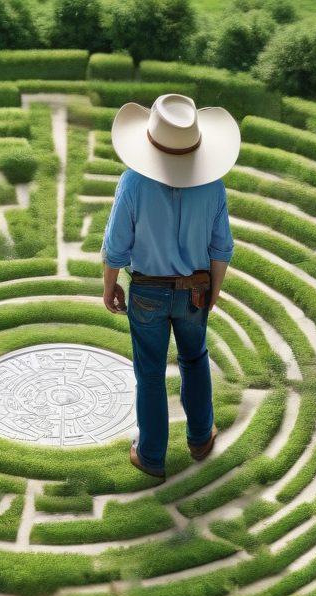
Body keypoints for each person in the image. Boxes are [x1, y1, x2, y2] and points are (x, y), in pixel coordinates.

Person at [101, 93, 238, 479]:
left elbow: (116, 247)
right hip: (195, 289)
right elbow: (221, 246)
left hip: (147, 291)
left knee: (149, 372)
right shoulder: (213, 185)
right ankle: (199, 439)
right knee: (195, 359)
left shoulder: (132, 182)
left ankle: (151, 456)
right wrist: (214, 290)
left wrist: (110, 285)